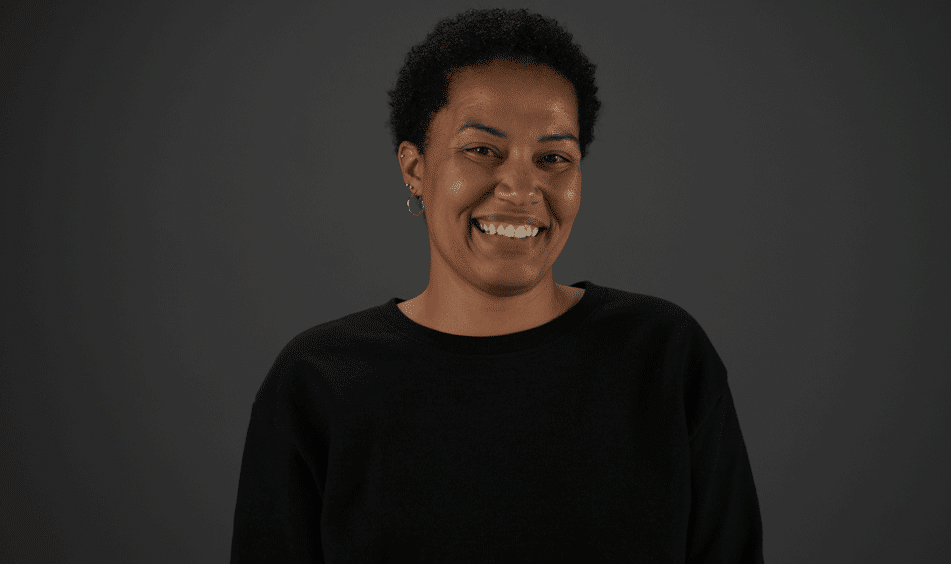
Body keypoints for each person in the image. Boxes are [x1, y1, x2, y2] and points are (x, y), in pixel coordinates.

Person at [231, 8, 764, 562]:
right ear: (415, 168)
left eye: (553, 157)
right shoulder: (318, 382)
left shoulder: (664, 358)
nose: (521, 187)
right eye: (483, 150)